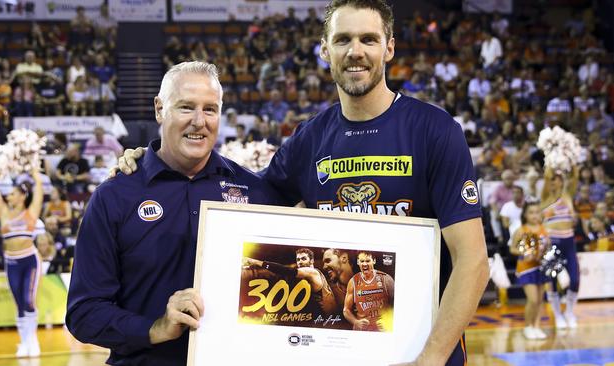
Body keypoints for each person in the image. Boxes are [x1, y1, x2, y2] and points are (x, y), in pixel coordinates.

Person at [118, 2, 488, 364]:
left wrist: (430, 359)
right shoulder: (310, 139)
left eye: (368, 40)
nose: (355, 51)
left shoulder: (435, 132)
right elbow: (240, 197)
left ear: (389, 47)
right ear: (325, 50)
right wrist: (157, 158)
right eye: (342, 40)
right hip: (337, 344)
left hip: (422, 350)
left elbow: (473, 261)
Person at [66, 61, 281, 366]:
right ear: (159, 109)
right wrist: (154, 328)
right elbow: (83, 313)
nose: (199, 121)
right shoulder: (114, 196)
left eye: (210, 109)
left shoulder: (254, 192)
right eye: (186, 107)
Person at [0, 168, 43, 357]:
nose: (8, 197)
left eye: (12, 194)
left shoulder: (31, 212)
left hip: (30, 260)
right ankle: (24, 342)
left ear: (21, 196)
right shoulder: (3, 213)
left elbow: (39, 188)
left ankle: (33, 340)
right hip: (11, 262)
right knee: (19, 303)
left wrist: (34, 170)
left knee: (29, 301)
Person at [243, 248, 338, 317]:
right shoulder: (310, 273)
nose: (300, 262)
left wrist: (255, 262)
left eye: (303, 259)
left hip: (325, 318)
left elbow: (286, 270)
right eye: (298, 259)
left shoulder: (312, 272)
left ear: (312, 260)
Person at [541, 167, 580, 329]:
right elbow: (547, 174)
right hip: (552, 244)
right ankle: (557, 315)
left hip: (569, 242)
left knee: (575, 279)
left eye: (559, 178)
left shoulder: (568, 196)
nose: (556, 181)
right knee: (552, 280)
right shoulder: (545, 197)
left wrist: (568, 157)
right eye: (553, 179)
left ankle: (569, 311)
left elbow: (575, 175)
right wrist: (551, 158)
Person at [509, 201, 550, 340]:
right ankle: (528, 327)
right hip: (526, 268)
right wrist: (525, 252)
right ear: (525, 215)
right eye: (531, 212)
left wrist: (545, 252)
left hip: (540, 267)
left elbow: (547, 246)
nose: (534, 215)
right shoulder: (521, 230)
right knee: (532, 300)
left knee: (540, 300)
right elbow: (512, 248)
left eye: (537, 212)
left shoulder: (544, 229)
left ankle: (536, 326)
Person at [344, 251, 394, 331]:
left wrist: (389, 320)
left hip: (383, 330)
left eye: (367, 261)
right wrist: (356, 322)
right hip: (363, 331)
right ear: (358, 262)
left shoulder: (386, 279)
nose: (364, 264)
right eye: (362, 261)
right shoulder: (353, 282)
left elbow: (398, 306)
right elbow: (346, 310)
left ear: (374, 261)